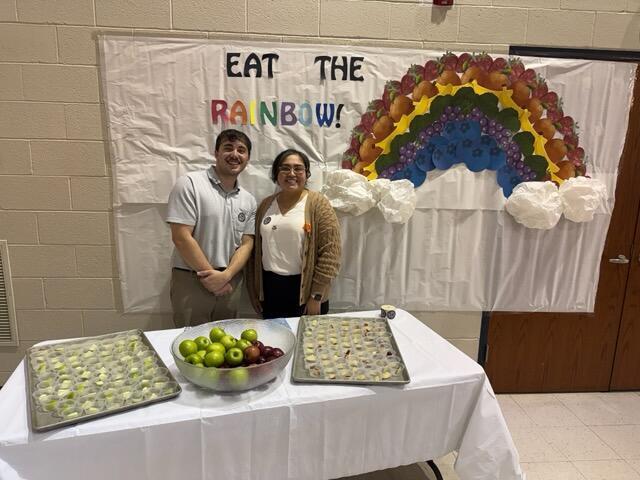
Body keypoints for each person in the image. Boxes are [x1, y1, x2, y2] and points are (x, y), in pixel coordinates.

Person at [166, 129, 256, 327]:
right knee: (191, 347)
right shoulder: (189, 184)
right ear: (216, 153)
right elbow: (181, 236)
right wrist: (211, 278)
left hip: (230, 281)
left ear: (247, 158)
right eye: (228, 148)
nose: (235, 154)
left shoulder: (248, 200)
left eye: (241, 150)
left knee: (226, 343)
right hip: (192, 281)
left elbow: (247, 243)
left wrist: (226, 276)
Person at [248, 149, 341, 319]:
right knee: (276, 343)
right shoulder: (265, 205)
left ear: (306, 174)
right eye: (285, 168)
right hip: (270, 290)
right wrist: (255, 291)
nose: (291, 173)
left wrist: (316, 295)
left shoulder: (318, 203)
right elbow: (255, 253)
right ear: (276, 174)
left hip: (305, 292)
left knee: (308, 343)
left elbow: (331, 253)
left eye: (298, 169)